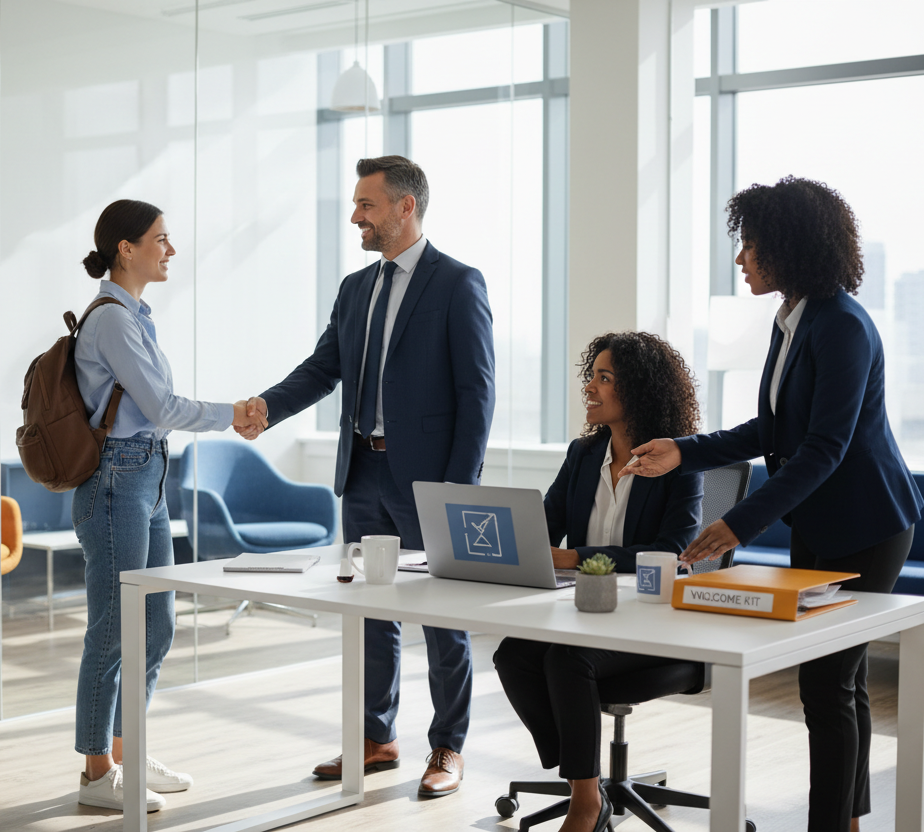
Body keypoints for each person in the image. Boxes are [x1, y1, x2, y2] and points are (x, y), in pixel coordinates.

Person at [623, 176, 923, 832]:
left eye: (752, 246)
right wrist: (684, 449)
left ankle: (829, 824)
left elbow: (823, 449)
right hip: (818, 518)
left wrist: (734, 526)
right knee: (843, 681)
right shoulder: (793, 320)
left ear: (790, 247)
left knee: (827, 683)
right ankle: (845, 821)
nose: (741, 259)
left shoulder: (842, 326)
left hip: (868, 522)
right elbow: (771, 431)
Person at [236, 156, 495, 797]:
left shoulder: (458, 283)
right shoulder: (357, 287)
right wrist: (267, 407)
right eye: (356, 204)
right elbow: (324, 367)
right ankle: (377, 738)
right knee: (371, 613)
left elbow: (477, 395)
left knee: (442, 616)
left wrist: (455, 491)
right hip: (363, 472)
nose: (356, 216)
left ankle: (448, 747)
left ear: (405, 207)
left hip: (429, 481)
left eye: (367, 205)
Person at [71, 199, 266, 812]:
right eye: (160, 239)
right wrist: (231, 414)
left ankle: (130, 749)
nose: (170, 250)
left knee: (157, 623)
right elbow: (162, 407)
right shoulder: (112, 320)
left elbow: (155, 410)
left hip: (148, 475)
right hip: (117, 479)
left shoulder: (136, 316)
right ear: (125, 249)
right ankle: (97, 771)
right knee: (114, 625)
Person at [492, 331, 704, 832]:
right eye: (591, 376)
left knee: (567, 659)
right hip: (585, 615)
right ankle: (581, 782)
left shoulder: (680, 461)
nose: (590, 388)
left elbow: (670, 553)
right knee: (513, 656)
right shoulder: (584, 454)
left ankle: (587, 803)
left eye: (604, 379)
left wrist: (573, 557)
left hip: (658, 625)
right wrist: (502, 542)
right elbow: (544, 524)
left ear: (638, 391)